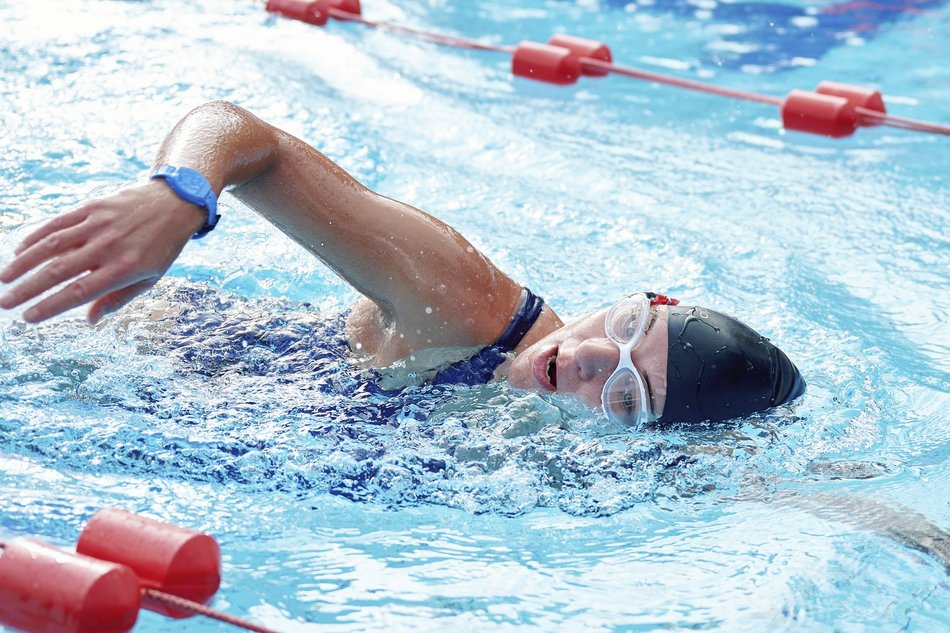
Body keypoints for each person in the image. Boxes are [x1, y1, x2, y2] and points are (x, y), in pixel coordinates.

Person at [0, 101, 804, 427]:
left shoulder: (564, 468)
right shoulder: (469, 307)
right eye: (631, 322)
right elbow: (249, 137)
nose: (592, 353)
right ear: (643, 294)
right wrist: (179, 197)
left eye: (626, 394)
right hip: (95, 337)